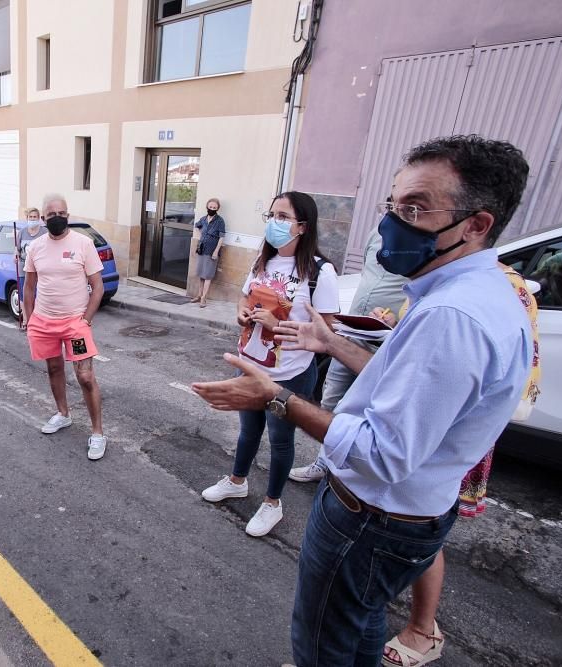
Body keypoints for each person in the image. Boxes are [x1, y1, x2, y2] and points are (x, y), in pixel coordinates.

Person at [193, 135, 533, 666]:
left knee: (324, 641)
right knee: (361, 620)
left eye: (415, 208)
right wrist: (332, 343)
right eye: (393, 205)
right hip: (400, 515)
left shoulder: (452, 317)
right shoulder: (467, 296)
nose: (391, 224)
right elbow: (404, 384)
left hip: (371, 518)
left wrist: (276, 397)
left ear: (477, 224)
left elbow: (382, 454)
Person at [380, 263, 540, 667]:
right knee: (400, 523)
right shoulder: (433, 276)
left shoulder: (500, 290)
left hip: (447, 432)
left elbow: (517, 371)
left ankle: (422, 628)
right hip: (414, 422)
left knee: (423, 523)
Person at [200, 191, 338, 537]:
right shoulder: (262, 261)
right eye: (271, 216)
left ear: (302, 226)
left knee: (280, 440)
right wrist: (241, 311)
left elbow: (328, 332)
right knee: (248, 431)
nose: (274, 224)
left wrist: (279, 326)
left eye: (282, 217)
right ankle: (237, 481)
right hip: (250, 365)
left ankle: (272, 503)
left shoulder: (320, 272)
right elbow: (245, 295)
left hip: (289, 375)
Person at [288, 227, 407, 483]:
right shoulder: (375, 234)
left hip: (385, 341)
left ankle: (346, 473)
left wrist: (396, 321)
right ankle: (323, 463)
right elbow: (369, 273)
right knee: (332, 398)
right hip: (351, 332)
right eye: (390, 203)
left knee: (366, 406)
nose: (392, 215)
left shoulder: (419, 248)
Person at [22, 193, 108, 460]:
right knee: (54, 368)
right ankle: (63, 414)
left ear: (67, 216)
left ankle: (97, 433)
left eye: (61, 213)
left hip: (75, 324)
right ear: (44, 218)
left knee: (85, 376)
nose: (56, 217)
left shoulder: (83, 243)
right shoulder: (35, 248)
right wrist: (29, 317)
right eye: (51, 214)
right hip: (44, 322)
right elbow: (28, 287)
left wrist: (86, 320)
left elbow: (98, 287)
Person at [191, 198, 226, 307]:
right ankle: (198, 295)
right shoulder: (203, 219)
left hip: (212, 251)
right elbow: (196, 225)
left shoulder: (220, 221)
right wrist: (202, 233)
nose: (212, 209)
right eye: (210, 207)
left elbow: (221, 237)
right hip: (202, 249)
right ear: (207, 207)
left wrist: (216, 251)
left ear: (217, 209)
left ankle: (203, 298)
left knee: (208, 275)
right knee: (201, 274)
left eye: (214, 208)